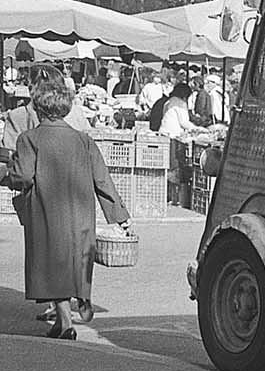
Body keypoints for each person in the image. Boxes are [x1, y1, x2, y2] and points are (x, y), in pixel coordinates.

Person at [8, 73, 133, 340]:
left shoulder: (29, 139)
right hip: (80, 212)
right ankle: (79, 299)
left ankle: (65, 323)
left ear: (38, 107)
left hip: (46, 211)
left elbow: (22, 177)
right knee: (76, 260)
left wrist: (7, 172)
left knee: (52, 263)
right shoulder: (83, 139)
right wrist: (118, 216)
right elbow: (102, 178)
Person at [156, 82, 195, 207]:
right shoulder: (180, 104)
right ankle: (174, 196)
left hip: (163, 134)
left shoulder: (168, 101)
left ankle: (166, 194)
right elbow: (184, 123)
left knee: (165, 165)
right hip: (173, 137)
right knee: (174, 166)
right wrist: (198, 128)